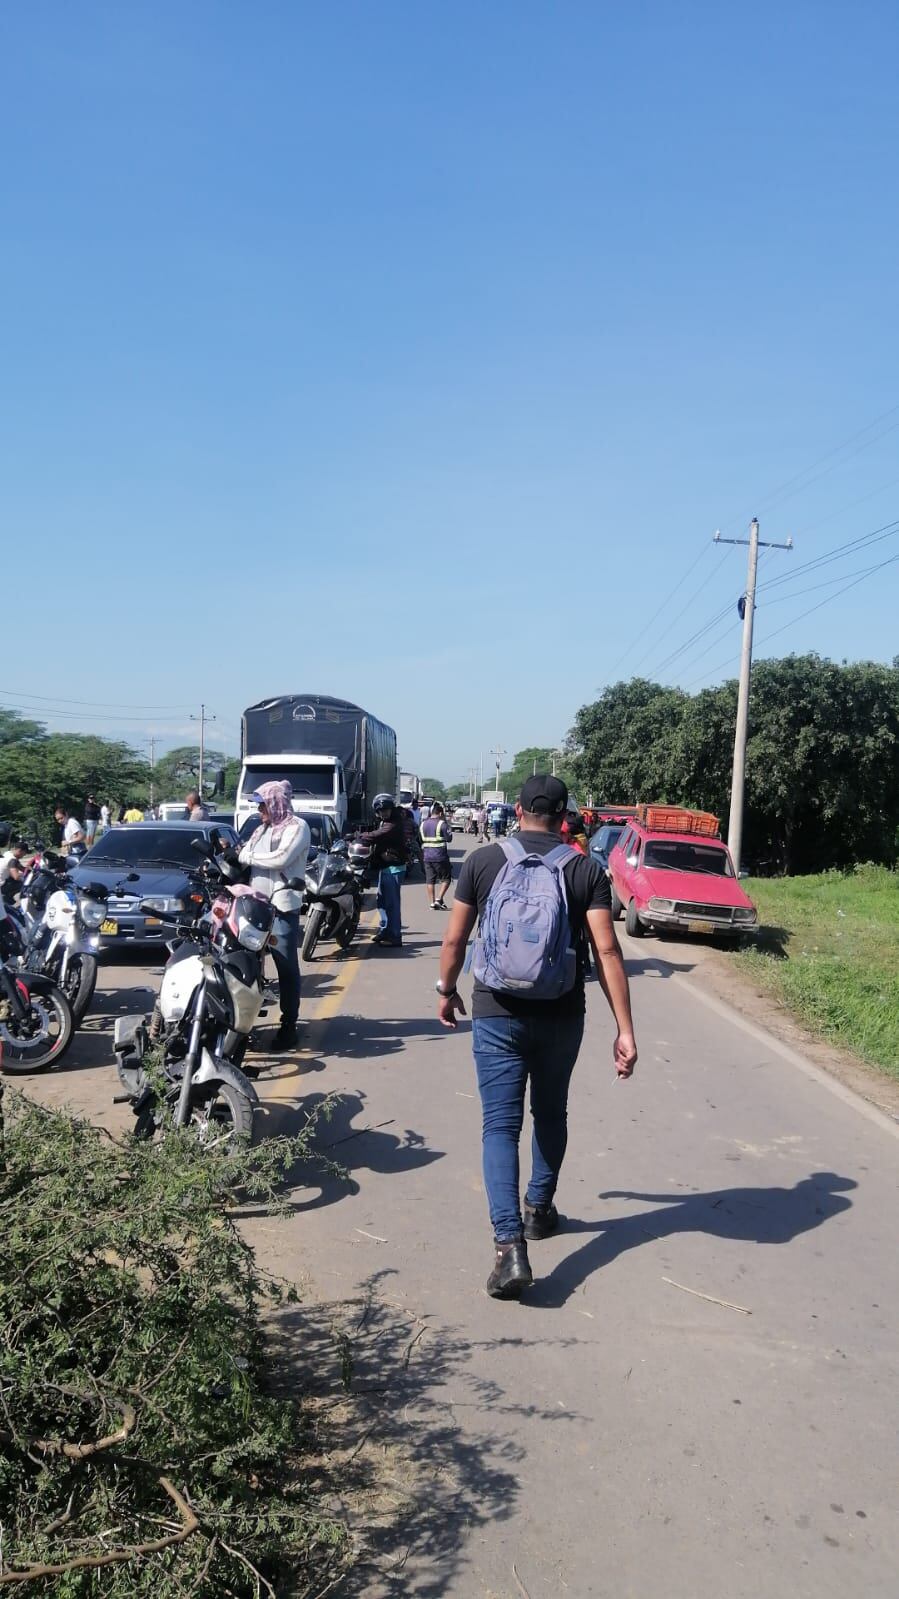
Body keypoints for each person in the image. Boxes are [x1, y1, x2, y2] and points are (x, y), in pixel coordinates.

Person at [436, 774, 638, 1300]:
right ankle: (539, 1211)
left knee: (499, 1128)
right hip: (561, 1011)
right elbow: (608, 951)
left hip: (496, 1011)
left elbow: (456, 937)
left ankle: (509, 1249)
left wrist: (445, 989)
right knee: (550, 1113)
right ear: (565, 814)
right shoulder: (585, 869)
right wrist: (625, 1029)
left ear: (519, 809)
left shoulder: (482, 861)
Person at [238, 780, 310, 1051]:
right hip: (254, 906)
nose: (259, 811)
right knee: (248, 966)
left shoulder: (297, 827)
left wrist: (249, 857)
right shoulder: (260, 830)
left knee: (286, 967)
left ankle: (289, 1024)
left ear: (275, 802)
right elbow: (245, 854)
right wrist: (246, 856)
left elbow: (281, 859)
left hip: (282, 907)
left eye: (262, 805)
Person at [358, 793, 407, 947]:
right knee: (382, 902)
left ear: (391, 809)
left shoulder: (394, 823)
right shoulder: (384, 821)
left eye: (386, 809)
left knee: (391, 904)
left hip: (394, 867)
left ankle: (394, 936)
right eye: (380, 811)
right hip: (385, 866)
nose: (384, 812)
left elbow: (376, 835)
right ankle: (384, 930)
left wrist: (358, 836)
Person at [421, 801, 453, 910]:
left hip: (427, 856)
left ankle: (432, 903)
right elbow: (449, 839)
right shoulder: (442, 824)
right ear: (440, 813)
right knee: (446, 879)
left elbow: (420, 840)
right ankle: (439, 899)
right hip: (440, 856)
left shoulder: (423, 824)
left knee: (430, 880)